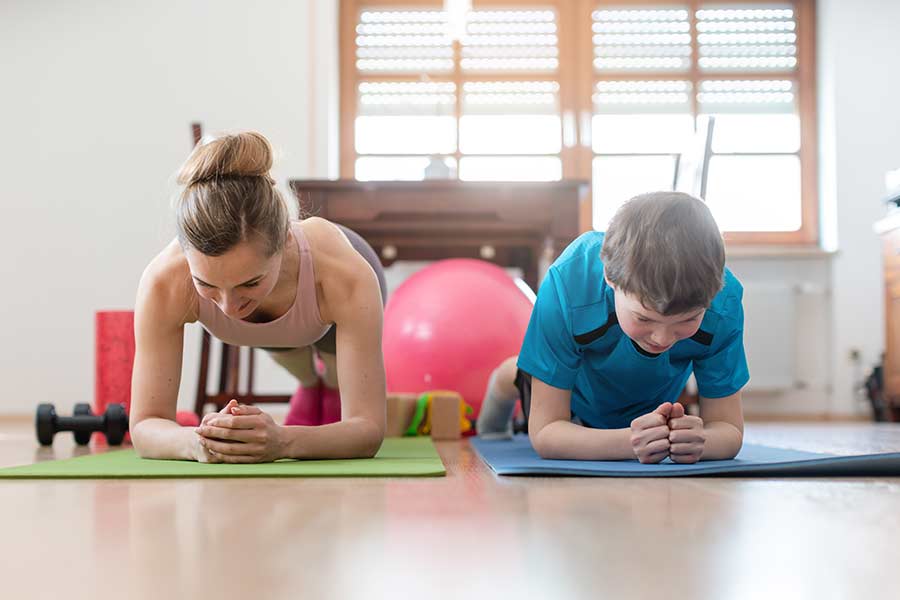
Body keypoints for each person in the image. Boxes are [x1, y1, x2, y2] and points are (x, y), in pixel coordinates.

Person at [130, 131, 387, 463]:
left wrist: (282, 441)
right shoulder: (164, 281)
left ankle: (327, 384)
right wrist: (201, 442)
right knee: (279, 339)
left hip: (332, 296)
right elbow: (144, 425)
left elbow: (367, 429)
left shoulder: (344, 274)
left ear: (284, 243)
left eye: (249, 282)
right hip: (280, 317)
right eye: (206, 284)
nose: (227, 306)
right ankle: (309, 385)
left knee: (335, 374)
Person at [477, 191, 748, 464]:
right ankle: (507, 375)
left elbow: (729, 429)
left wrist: (702, 441)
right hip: (573, 395)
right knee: (521, 370)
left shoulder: (723, 303)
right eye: (644, 318)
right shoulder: (570, 281)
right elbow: (546, 432)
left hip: (645, 400)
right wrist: (629, 443)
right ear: (610, 277)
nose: (663, 338)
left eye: (688, 320)